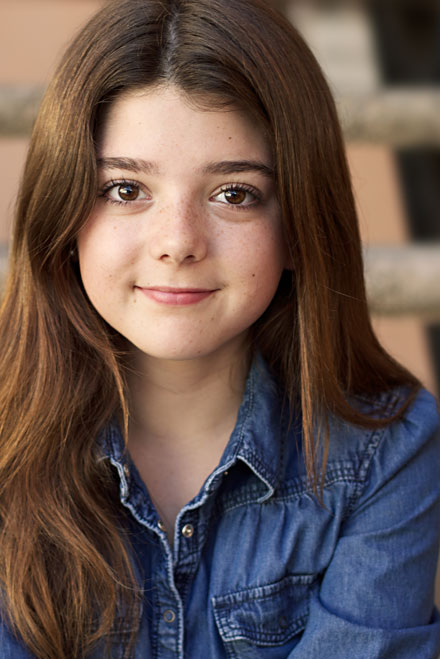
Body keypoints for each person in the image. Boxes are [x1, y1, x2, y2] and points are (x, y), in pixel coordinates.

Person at [0, 0, 439, 656]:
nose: (178, 242)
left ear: (299, 226)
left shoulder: (386, 452)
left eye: (234, 193)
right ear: (65, 212)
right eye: (125, 189)